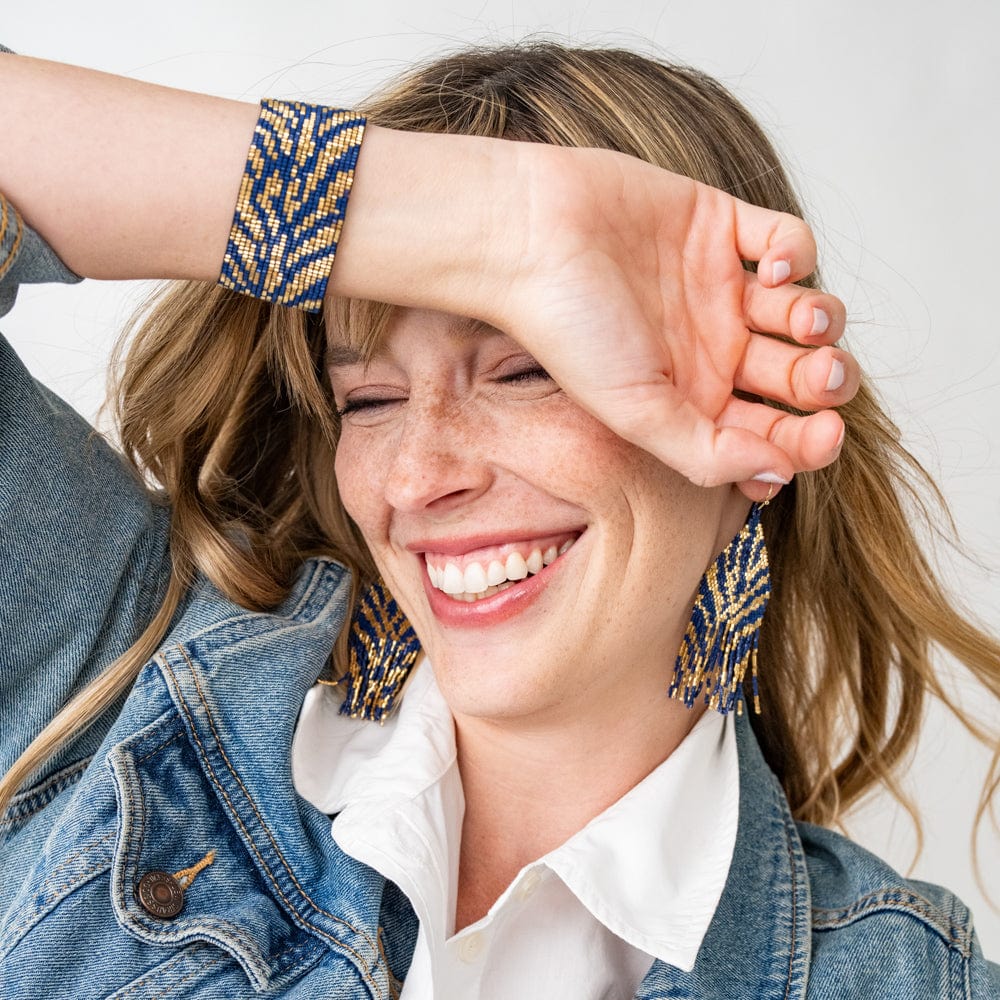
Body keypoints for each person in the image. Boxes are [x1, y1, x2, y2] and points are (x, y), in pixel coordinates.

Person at [0, 40, 996, 999]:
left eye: (526, 373)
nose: (417, 477)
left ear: (757, 418)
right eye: (371, 400)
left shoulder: (907, 980)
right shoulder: (129, 695)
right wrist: (497, 227)